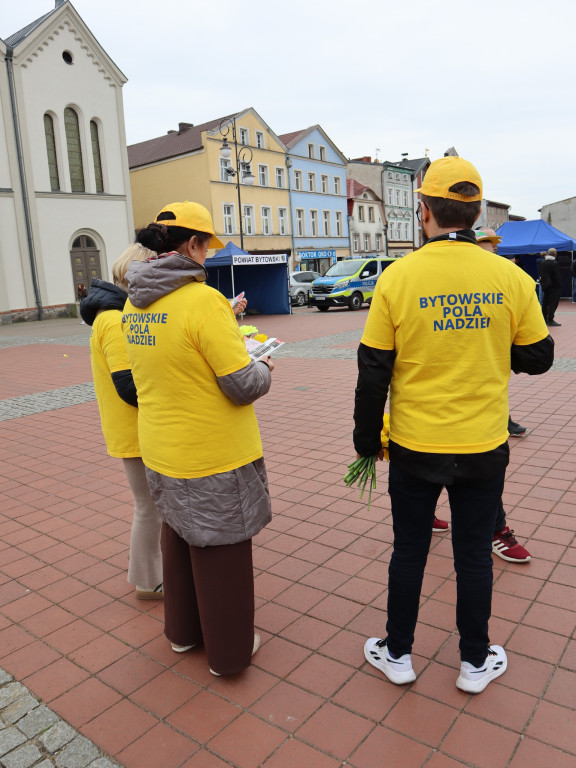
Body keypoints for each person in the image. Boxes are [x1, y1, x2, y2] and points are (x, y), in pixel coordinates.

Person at [354, 156, 553, 694]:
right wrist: (489, 345)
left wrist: (366, 440)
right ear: (477, 211)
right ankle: (473, 660)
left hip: (414, 446)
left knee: (409, 551)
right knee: (472, 556)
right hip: (484, 444)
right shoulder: (509, 276)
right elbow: (539, 358)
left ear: (424, 211)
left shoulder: (398, 276)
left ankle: (397, 653)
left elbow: (373, 367)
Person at [122, 201, 273, 676]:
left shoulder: (135, 301)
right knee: (222, 550)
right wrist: (263, 365)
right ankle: (229, 653)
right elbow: (241, 384)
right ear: (191, 245)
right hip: (212, 451)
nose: (208, 255)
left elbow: (173, 356)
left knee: (179, 540)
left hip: (161, 447)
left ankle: (183, 635)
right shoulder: (202, 300)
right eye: (207, 245)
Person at [80, 247, 163, 601]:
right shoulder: (113, 320)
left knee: (150, 506)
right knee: (149, 507)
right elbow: (128, 386)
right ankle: (147, 582)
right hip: (133, 429)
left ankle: (146, 572)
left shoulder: (114, 314)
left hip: (134, 427)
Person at [540, 247, 562, 326]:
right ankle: (550, 319)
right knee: (553, 302)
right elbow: (557, 276)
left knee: (545, 302)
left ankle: (544, 318)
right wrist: (559, 286)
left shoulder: (543, 262)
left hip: (546, 285)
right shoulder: (554, 263)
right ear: (555, 254)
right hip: (554, 286)